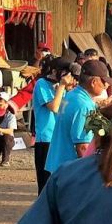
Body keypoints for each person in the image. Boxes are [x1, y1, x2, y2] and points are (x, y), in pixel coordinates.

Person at [45, 60, 110, 180]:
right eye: (104, 81)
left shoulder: (71, 95)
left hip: (58, 163)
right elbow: (83, 147)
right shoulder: (84, 105)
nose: (107, 86)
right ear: (94, 82)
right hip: (71, 170)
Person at [31, 59, 78, 192]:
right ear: (54, 71)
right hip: (45, 138)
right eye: (64, 73)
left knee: (59, 179)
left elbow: (63, 110)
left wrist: (68, 90)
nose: (66, 77)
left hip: (59, 137)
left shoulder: (60, 87)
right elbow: (54, 107)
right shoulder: (41, 84)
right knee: (45, 181)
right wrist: (62, 86)